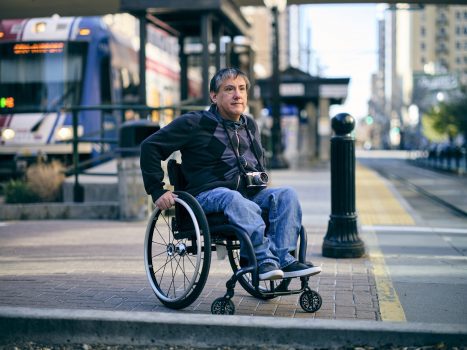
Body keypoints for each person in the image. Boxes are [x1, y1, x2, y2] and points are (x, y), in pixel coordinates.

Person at [140, 67, 321, 281]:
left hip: (247, 196)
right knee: (232, 197)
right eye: (229, 89)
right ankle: (262, 259)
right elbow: (150, 146)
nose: (238, 95)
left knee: (286, 194)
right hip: (206, 196)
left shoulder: (250, 125)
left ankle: (283, 259)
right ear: (214, 96)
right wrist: (157, 190)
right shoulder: (195, 123)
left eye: (242, 89)